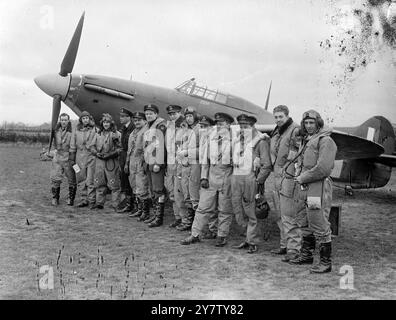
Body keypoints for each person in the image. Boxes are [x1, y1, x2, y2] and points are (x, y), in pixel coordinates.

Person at [288, 110, 337, 274]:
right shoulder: (306, 140)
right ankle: (306, 255)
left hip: (317, 186)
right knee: (303, 219)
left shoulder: (325, 141)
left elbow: (323, 168)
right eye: (306, 123)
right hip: (304, 187)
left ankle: (325, 262)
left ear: (318, 124)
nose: (309, 126)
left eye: (312, 123)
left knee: (317, 219)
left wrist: (304, 177)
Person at [181, 112, 234, 247]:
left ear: (228, 124)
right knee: (202, 207)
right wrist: (204, 177)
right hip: (211, 177)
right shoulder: (212, 138)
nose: (219, 126)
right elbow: (205, 160)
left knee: (224, 209)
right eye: (217, 124)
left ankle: (221, 235)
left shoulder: (236, 140)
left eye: (222, 123)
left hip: (226, 178)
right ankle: (195, 234)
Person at [231, 114, 272, 253]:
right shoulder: (239, 140)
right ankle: (248, 239)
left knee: (253, 211)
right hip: (238, 178)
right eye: (241, 126)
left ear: (253, 126)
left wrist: (258, 181)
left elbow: (267, 165)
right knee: (241, 210)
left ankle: (253, 242)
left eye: (246, 126)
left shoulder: (261, 141)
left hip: (251, 179)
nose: (243, 128)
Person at [269, 105, 302, 262]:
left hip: (288, 177)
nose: (278, 120)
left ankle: (294, 249)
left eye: (280, 117)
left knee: (289, 214)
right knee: (280, 213)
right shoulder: (277, 131)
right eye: (275, 117)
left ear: (287, 116)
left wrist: (291, 167)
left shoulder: (295, 130)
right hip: (277, 176)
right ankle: (284, 245)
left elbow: (299, 154)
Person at [174, 106, 201, 231]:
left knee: (193, 194)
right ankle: (189, 221)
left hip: (195, 165)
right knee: (186, 192)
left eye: (191, 116)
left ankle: (196, 222)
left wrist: (187, 152)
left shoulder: (200, 129)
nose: (189, 118)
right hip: (184, 165)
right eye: (187, 116)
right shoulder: (186, 130)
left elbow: (203, 149)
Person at [89, 113, 122, 210]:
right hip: (99, 161)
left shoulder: (116, 134)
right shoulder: (98, 134)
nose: (106, 124)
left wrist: (110, 155)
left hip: (111, 161)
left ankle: (116, 204)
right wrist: (96, 153)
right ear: (102, 123)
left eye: (108, 122)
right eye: (104, 122)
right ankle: (100, 203)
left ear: (111, 123)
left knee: (114, 183)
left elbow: (120, 149)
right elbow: (92, 146)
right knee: (99, 182)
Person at [142, 104, 167, 227]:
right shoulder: (148, 126)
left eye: (151, 113)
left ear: (156, 114)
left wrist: (158, 163)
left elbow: (161, 146)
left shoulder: (160, 126)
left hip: (156, 163)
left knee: (158, 190)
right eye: (146, 114)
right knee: (152, 190)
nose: (148, 116)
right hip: (149, 162)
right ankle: (155, 215)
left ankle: (159, 218)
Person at [165, 105, 189, 229]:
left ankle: (186, 219)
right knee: (172, 192)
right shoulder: (169, 126)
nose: (172, 116)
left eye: (175, 113)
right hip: (171, 164)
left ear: (180, 113)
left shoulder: (184, 126)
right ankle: (178, 218)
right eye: (170, 114)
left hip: (181, 163)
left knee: (181, 193)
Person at [125, 112, 150, 219]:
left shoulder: (147, 132)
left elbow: (148, 149)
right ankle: (138, 209)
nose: (137, 122)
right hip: (132, 162)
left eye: (139, 120)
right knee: (134, 186)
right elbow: (129, 150)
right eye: (135, 120)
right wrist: (126, 163)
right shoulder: (133, 133)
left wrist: (145, 163)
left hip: (141, 161)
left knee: (142, 186)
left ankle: (145, 212)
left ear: (145, 121)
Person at [70, 111, 97, 208]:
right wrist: (72, 158)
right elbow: (72, 144)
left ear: (90, 119)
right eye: (83, 118)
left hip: (91, 157)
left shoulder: (95, 130)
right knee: (81, 178)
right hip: (79, 158)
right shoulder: (76, 130)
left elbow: (97, 142)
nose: (85, 120)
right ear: (81, 119)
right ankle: (83, 199)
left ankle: (92, 201)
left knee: (90, 179)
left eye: (87, 118)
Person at [49, 113, 77, 206]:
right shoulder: (56, 131)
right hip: (57, 157)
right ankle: (55, 198)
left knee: (71, 179)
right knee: (55, 177)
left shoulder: (73, 132)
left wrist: (72, 158)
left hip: (68, 157)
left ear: (68, 121)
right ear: (60, 121)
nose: (64, 122)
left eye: (65, 120)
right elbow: (53, 143)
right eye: (62, 120)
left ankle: (71, 198)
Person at [116, 108, 135, 213]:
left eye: (123, 116)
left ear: (129, 117)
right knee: (124, 179)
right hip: (123, 156)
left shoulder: (132, 128)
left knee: (130, 180)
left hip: (130, 156)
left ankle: (132, 205)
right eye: (120, 116)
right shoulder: (123, 128)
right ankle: (128, 204)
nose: (121, 118)